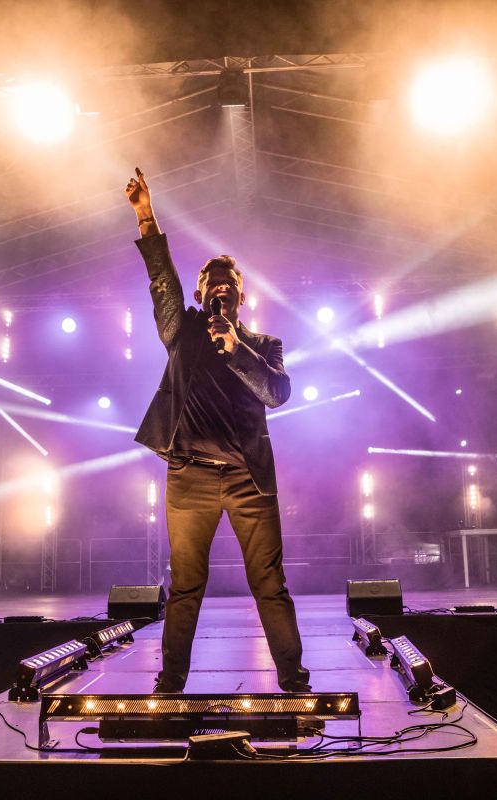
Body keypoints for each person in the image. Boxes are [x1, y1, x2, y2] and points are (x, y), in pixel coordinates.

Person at [124, 167, 310, 694]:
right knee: (186, 584)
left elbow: (277, 392)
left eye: (230, 280)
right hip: (190, 479)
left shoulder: (264, 345)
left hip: (249, 480)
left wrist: (237, 347)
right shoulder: (180, 330)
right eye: (213, 279)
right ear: (201, 291)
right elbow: (162, 282)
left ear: (241, 297)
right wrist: (146, 217)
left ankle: (294, 678)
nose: (221, 283)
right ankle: (170, 681)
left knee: (269, 583)